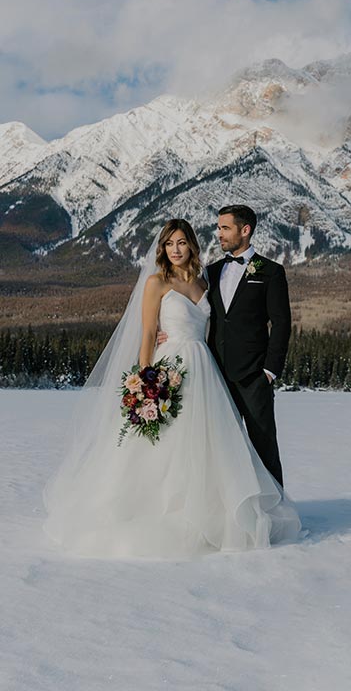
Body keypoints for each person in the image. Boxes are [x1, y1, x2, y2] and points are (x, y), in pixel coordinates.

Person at [43, 219, 301, 559]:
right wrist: (145, 379)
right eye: (169, 244)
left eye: (181, 242)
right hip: (170, 368)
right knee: (163, 441)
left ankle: (214, 510)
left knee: (210, 443)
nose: (175, 249)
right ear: (162, 249)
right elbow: (148, 333)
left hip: (206, 370)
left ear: (191, 245)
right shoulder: (156, 283)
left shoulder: (203, 281)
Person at [159, 205, 290, 487]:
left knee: (263, 445)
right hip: (214, 376)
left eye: (225, 228)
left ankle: (276, 509)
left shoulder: (271, 272)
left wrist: (269, 371)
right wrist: (167, 332)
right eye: (218, 228)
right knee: (222, 449)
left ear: (245, 230)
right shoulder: (212, 272)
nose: (219, 234)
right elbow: (192, 309)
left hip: (255, 375)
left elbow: (281, 324)